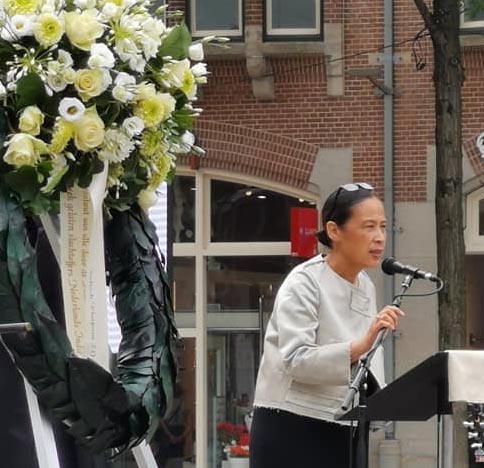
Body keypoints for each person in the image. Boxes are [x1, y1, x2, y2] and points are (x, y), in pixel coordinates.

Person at [249, 182, 404, 468]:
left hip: (345, 423)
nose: (380, 237)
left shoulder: (366, 285)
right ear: (334, 231)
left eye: (383, 227)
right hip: (293, 425)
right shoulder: (304, 282)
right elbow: (296, 359)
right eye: (369, 226)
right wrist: (361, 346)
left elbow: (368, 358)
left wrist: (381, 401)